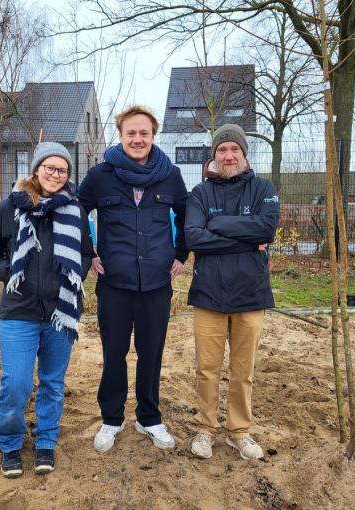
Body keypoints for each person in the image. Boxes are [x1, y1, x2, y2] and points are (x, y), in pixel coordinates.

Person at [77, 105, 189, 452]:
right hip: (114, 284)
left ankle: (149, 418)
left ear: (153, 136)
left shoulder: (170, 175)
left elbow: (187, 214)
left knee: (151, 353)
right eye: (131, 133)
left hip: (156, 283)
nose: (137, 139)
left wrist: (181, 254)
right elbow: (77, 211)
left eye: (144, 133)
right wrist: (89, 251)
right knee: (114, 353)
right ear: (121, 135)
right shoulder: (100, 175)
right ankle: (112, 419)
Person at [0, 142, 94, 478]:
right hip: (19, 311)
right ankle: (11, 443)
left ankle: (46, 441)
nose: (56, 175)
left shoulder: (75, 211)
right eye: (50, 167)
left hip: (61, 312)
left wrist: (74, 276)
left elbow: (86, 253)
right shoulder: (9, 208)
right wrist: (12, 275)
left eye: (62, 170)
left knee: (52, 383)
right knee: (16, 383)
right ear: (36, 168)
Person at [184, 124, 279, 461]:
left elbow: (267, 227)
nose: (228, 156)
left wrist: (217, 225)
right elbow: (193, 238)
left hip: (251, 295)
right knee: (207, 368)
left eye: (233, 150)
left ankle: (239, 431)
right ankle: (205, 428)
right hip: (208, 295)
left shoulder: (263, 188)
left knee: (243, 370)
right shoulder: (200, 193)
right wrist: (246, 238)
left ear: (244, 154)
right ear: (214, 156)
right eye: (221, 150)